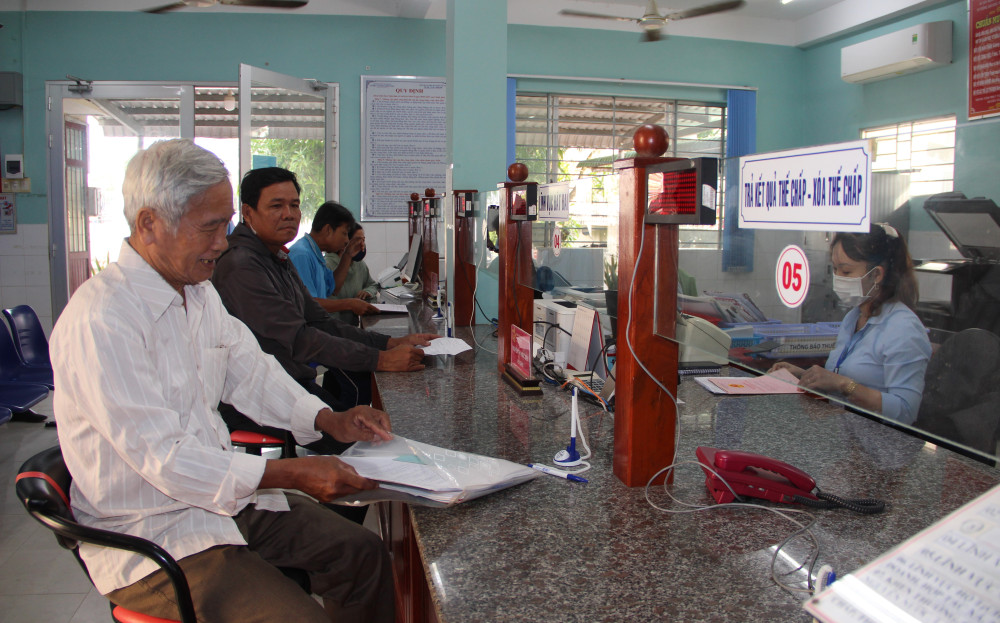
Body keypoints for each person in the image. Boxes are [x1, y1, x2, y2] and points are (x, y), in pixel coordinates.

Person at [49, 139, 395, 622]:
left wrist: (328, 419)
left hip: (224, 505)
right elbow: (165, 460)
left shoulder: (198, 294)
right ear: (149, 224)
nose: (222, 242)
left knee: (364, 555)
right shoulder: (102, 319)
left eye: (226, 225)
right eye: (209, 227)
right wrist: (293, 473)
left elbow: (251, 371)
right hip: (152, 533)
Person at [211, 167, 437, 412]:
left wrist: (390, 343)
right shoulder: (242, 265)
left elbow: (320, 321)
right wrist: (381, 359)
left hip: (287, 381)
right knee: (359, 425)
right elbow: (298, 338)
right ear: (248, 212)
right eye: (276, 206)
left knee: (363, 411)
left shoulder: (276, 256)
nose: (289, 215)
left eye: (294, 205)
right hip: (258, 396)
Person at [770, 223, 932, 424]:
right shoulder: (854, 317)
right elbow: (840, 384)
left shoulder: (904, 329)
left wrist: (845, 385)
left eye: (846, 272)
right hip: (845, 431)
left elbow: (906, 412)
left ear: (876, 275)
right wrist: (805, 376)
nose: (837, 278)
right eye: (835, 269)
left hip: (877, 441)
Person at [287, 201, 378, 318]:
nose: (346, 240)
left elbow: (333, 288)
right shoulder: (302, 255)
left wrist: (347, 255)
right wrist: (349, 304)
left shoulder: (314, 253)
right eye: (344, 233)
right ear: (328, 230)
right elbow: (308, 304)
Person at [325, 223, 380, 324]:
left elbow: (372, 285)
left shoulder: (359, 264)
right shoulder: (327, 265)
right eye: (357, 240)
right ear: (345, 241)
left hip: (353, 325)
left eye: (363, 240)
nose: (362, 245)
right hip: (337, 327)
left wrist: (367, 291)